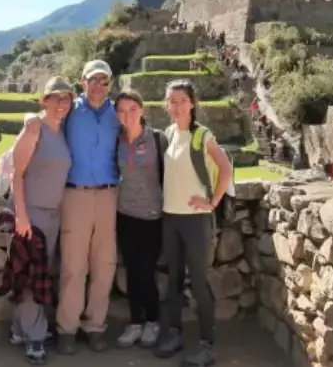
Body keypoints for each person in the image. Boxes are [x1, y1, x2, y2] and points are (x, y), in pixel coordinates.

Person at [24, 60, 120, 355]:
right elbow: (43, 120)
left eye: (104, 81)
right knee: (73, 266)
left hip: (108, 195)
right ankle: (67, 328)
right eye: (93, 80)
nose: (98, 86)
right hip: (75, 196)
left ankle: (95, 327)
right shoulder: (69, 111)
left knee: (104, 266)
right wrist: (29, 117)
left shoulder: (118, 113)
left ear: (110, 85)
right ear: (82, 81)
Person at [154, 79, 233, 366]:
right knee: (174, 279)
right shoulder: (169, 133)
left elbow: (226, 168)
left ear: (192, 103)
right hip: (171, 218)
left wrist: (212, 202)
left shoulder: (202, 135)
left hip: (196, 220)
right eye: (171, 101)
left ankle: (206, 344)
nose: (176, 106)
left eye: (181, 100)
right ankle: (174, 334)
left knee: (199, 281)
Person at [3, 76, 74, 365]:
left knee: (34, 275)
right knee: (33, 278)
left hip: (53, 216)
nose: (61, 104)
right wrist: (22, 215)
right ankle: (35, 339)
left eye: (66, 98)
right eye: (55, 98)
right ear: (43, 100)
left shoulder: (60, 130)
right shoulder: (34, 131)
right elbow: (16, 175)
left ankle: (20, 330)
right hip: (32, 215)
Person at [112, 90, 168, 349]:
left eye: (132, 109)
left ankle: (153, 321)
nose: (128, 115)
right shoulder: (117, 141)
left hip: (152, 217)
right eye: (122, 110)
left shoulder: (157, 139)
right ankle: (136, 323)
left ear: (142, 110)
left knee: (145, 272)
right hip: (124, 216)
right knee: (132, 272)